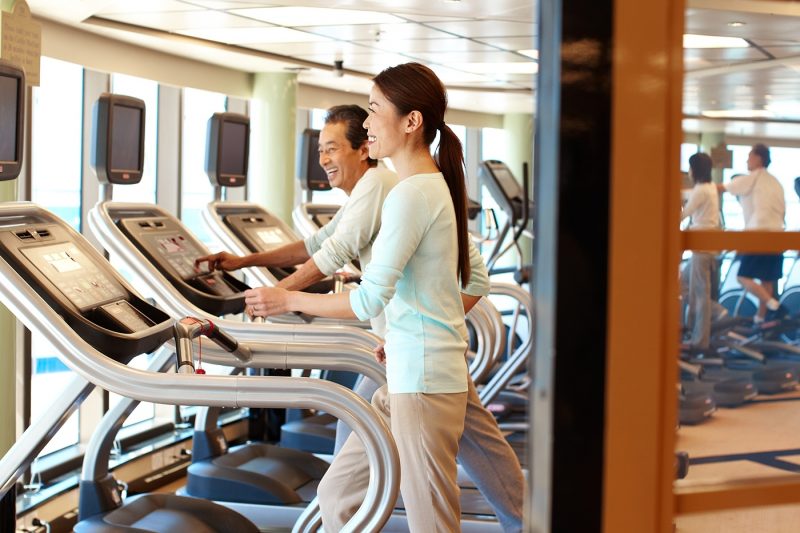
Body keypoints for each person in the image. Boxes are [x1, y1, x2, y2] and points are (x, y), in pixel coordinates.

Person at [197, 102, 524, 531]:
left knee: (368, 470)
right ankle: (530, 520)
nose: (324, 159)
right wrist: (242, 261)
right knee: (480, 455)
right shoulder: (405, 186)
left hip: (415, 363)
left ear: (363, 150)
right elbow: (318, 244)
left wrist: (281, 297)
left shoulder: (391, 187)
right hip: (416, 354)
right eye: (320, 151)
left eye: (332, 148)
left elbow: (335, 264)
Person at [719, 143, 786, 322]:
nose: (747, 160)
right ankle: (760, 319)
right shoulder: (776, 182)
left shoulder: (755, 176)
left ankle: (773, 304)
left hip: (759, 234)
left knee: (742, 276)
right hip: (778, 234)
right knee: (767, 280)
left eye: (749, 156)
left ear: (758, 158)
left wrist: (696, 192)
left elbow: (724, 187)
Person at [680, 152, 722, 348]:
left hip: (701, 247)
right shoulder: (710, 187)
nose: (688, 171)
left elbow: (684, 213)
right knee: (685, 285)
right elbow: (690, 197)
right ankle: (692, 328)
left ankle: (700, 340)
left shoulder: (700, 190)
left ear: (695, 169)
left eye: (690, 167)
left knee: (700, 292)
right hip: (706, 246)